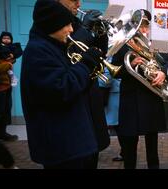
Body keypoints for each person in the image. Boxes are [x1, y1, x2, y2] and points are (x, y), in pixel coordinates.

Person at [20, 0, 102, 169]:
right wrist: (85, 65)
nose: (71, 29)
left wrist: (91, 71)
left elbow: (74, 85)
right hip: (61, 147)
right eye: (66, 25)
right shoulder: (38, 51)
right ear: (52, 25)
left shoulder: (55, 46)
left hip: (71, 142)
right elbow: (60, 88)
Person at [112, 9, 168, 169]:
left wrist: (163, 73)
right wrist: (130, 65)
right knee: (129, 148)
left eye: (145, 24)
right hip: (130, 101)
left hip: (150, 100)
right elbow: (115, 71)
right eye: (139, 24)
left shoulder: (154, 45)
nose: (142, 28)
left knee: (152, 149)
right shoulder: (122, 45)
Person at [56, 0, 110, 168]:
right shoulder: (54, 27)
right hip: (74, 96)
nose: (78, 4)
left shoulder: (77, 23)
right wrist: (85, 30)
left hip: (90, 94)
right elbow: (70, 52)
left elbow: (99, 53)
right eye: (73, 0)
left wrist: (102, 34)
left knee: (93, 151)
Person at [0, 32, 23, 142]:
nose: (7, 40)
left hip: (7, 85)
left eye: (9, 38)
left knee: (5, 110)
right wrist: (8, 63)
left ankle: (2, 133)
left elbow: (17, 52)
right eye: (5, 38)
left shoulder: (10, 49)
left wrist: (12, 58)